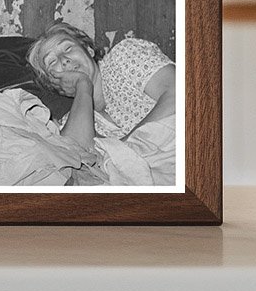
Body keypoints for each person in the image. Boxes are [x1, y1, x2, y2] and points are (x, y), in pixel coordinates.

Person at [26, 23, 176, 184]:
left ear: (88, 50)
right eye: (52, 62)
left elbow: (179, 93)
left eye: (68, 48)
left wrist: (122, 150)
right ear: (54, 83)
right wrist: (83, 84)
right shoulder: (74, 121)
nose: (64, 60)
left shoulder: (124, 56)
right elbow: (78, 163)